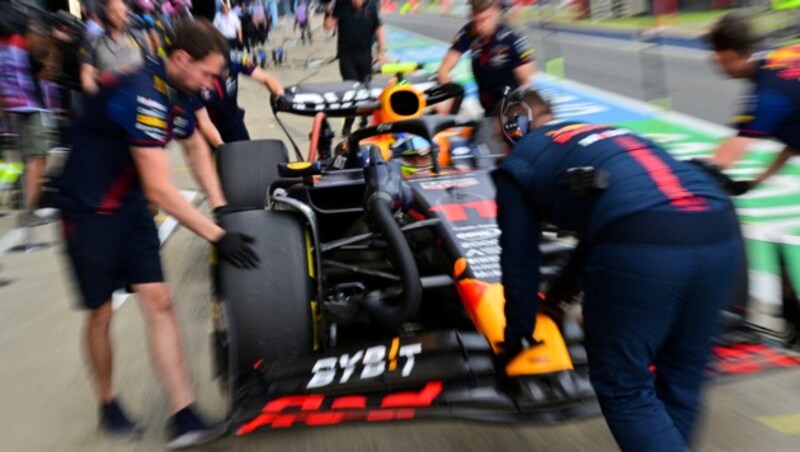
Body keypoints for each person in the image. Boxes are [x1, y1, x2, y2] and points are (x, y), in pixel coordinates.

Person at [493, 87, 742, 451]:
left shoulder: (520, 161)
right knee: (682, 378)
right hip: (720, 229)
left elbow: (519, 264)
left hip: (645, 240)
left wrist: (514, 339)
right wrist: (557, 298)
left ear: (513, 129)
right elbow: (598, 230)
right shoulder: (603, 135)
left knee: (625, 388)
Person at [55, 18, 257, 448]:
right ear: (181, 59)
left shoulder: (183, 90)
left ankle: (183, 416)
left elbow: (195, 149)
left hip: (128, 205)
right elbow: (160, 188)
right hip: (86, 210)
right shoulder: (142, 94)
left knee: (160, 302)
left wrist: (222, 208)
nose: (210, 84)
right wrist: (217, 236)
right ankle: (107, 401)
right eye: (206, 73)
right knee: (103, 312)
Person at [708, 13, 800, 194]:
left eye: (715, 56)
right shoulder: (780, 55)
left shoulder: (767, 97)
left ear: (727, 56)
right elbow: (795, 144)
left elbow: (722, 160)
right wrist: (753, 183)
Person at [0, 12, 60, 225]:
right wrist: (50, 46)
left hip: (15, 106)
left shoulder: (7, 47)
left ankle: (28, 207)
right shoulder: (25, 42)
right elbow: (45, 70)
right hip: (32, 106)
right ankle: (29, 213)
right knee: (36, 160)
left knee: (31, 160)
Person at [437, 0, 535, 116]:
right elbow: (443, 70)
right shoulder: (470, 31)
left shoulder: (511, 38)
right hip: (487, 109)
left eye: (485, 19)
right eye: (476, 21)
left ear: (496, 12)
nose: (480, 27)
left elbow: (528, 84)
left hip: (511, 111)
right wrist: (449, 96)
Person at [194, 51, 284, 147]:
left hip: (234, 123)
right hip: (208, 128)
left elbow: (266, 78)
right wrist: (222, 147)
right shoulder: (193, 74)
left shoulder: (233, 58)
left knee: (246, 156)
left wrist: (280, 97)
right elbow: (203, 121)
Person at [323, 0, 387, 135]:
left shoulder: (371, 7)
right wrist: (328, 9)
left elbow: (379, 30)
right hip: (347, 57)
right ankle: (348, 123)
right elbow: (328, 26)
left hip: (365, 56)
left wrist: (382, 52)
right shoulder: (342, 5)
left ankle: (363, 118)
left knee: (366, 89)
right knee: (352, 90)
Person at [80, 0, 153, 96]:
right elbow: (86, 78)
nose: (119, 15)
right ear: (105, 13)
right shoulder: (91, 42)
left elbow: (152, 69)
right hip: (109, 99)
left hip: (140, 97)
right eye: (113, 11)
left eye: (121, 11)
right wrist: (100, 99)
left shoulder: (140, 37)